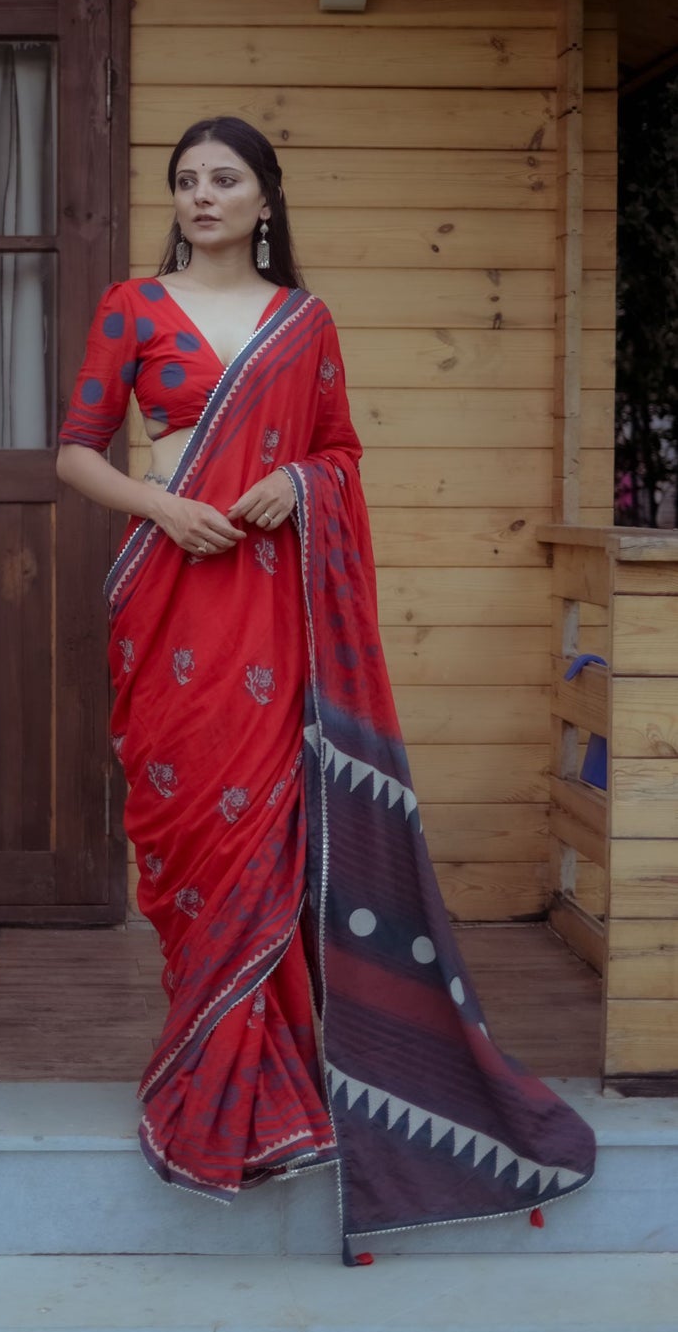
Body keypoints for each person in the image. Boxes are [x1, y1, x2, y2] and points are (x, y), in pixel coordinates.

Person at [56, 115, 596, 1264]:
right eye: (187, 180)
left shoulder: (303, 323)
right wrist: (160, 504)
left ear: (265, 199)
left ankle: (273, 1087)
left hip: (268, 605)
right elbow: (76, 448)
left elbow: (342, 450)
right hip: (167, 600)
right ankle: (203, 1060)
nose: (202, 195)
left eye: (225, 179)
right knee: (192, 841)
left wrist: (297, 483)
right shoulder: (130, 306)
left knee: (264, 838)